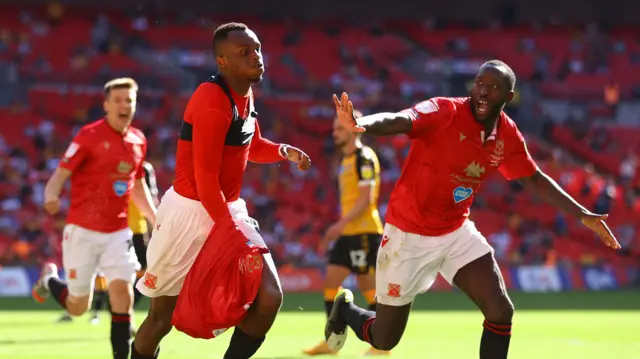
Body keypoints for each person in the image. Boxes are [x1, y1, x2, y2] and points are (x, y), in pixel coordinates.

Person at [324, 60, 620, 359]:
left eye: (494, 87)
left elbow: (533, 179)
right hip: (407, 235)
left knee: (500, 311)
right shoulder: (443, 111)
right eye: (480, 83)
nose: (483, 92)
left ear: (508, 97)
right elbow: (401, 119)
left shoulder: (507, 134)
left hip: (454, 231)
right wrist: (364, 124)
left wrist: (582, 214)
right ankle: (345, 309)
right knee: (384, 339)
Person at [131, 22, 311, 359]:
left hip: (225, 209)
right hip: (189, 213)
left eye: (257, 49)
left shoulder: (245, 94)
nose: (256, 57)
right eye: (245, 52)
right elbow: (205, 180)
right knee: (160, 320)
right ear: (223, 62)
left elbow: (252, 146)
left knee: (269, 296)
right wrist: (229, 234)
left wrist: (283, 150)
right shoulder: (212, 98)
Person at [33, 77, 157, 359]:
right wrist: (51, 194)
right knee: (78, 307)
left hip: (118, 232)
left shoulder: (139, 140)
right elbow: (61, 172)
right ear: (106, 105)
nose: (124, 105)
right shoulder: (88, 136)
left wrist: (154, 216)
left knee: (122, 299)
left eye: (129, 100)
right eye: (117, 100)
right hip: (83, 231)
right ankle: (51, 279)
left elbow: (136, 183)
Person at [304, 112, 387, 356]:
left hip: (364, 232)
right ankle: (332, 341)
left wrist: (339, 225)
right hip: (348, 231)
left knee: (368, 286)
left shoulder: (364, 158)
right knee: (331, 282)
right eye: (334, 128)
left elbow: (366, 199)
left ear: (354, 130)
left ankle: (380, 343)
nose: (334, 133)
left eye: (339, 128)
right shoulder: (346, 160)